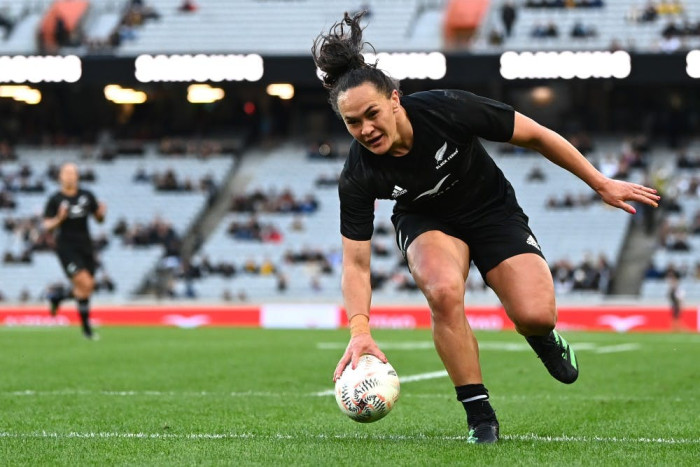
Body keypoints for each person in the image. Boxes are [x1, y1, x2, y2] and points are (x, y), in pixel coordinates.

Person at [312, 12, 660, 444]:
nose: (365, 129)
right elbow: (356, 263)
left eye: (372, 114)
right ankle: (480, 418)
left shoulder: (447, 109)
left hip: (490, 208)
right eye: (352, 123)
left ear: (396, 100)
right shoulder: (358, 174)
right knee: (441, 291)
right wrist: (360, 331)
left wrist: (600, 182)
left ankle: (543, 337)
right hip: (428, 220)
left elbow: (536, 135)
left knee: (534, 314)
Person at [43, 163, 106, 339]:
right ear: (60, 177)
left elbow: (99, 219)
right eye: (66, 173)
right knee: (85, 283)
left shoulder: (87, 195)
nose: (70, 176)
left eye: (73, 173)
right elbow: (47, 226)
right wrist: (59, 219)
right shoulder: (55, 199)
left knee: (86, 288)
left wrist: (101, 214)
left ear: (77, 176)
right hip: (66, 247)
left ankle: (58, 298)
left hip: (86, 245)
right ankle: (86, 329)